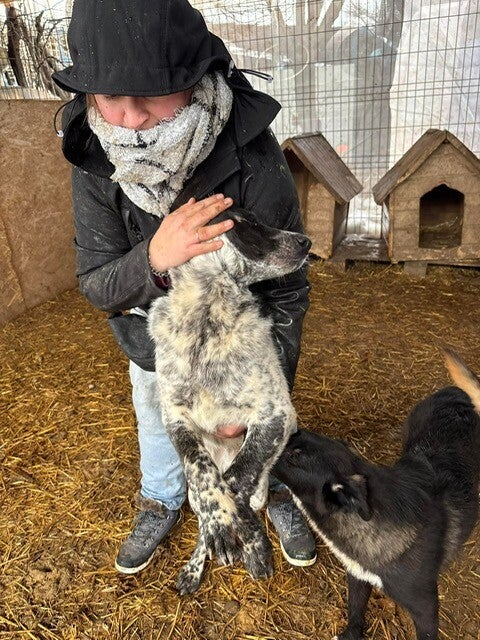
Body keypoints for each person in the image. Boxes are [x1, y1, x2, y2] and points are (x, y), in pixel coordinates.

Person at [52, 0, 316, 576]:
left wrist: (262, 390)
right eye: (108, 95)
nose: (129, 117)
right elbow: (97, 284)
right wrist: (154, 258)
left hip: (241, 340)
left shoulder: (250, 150)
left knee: (262, 426)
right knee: (159, 417)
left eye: (151, 92)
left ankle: (274, 488)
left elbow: (288, 288)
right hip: (159, 345)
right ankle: (161, 497)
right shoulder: (95, 154)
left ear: (196, 81)